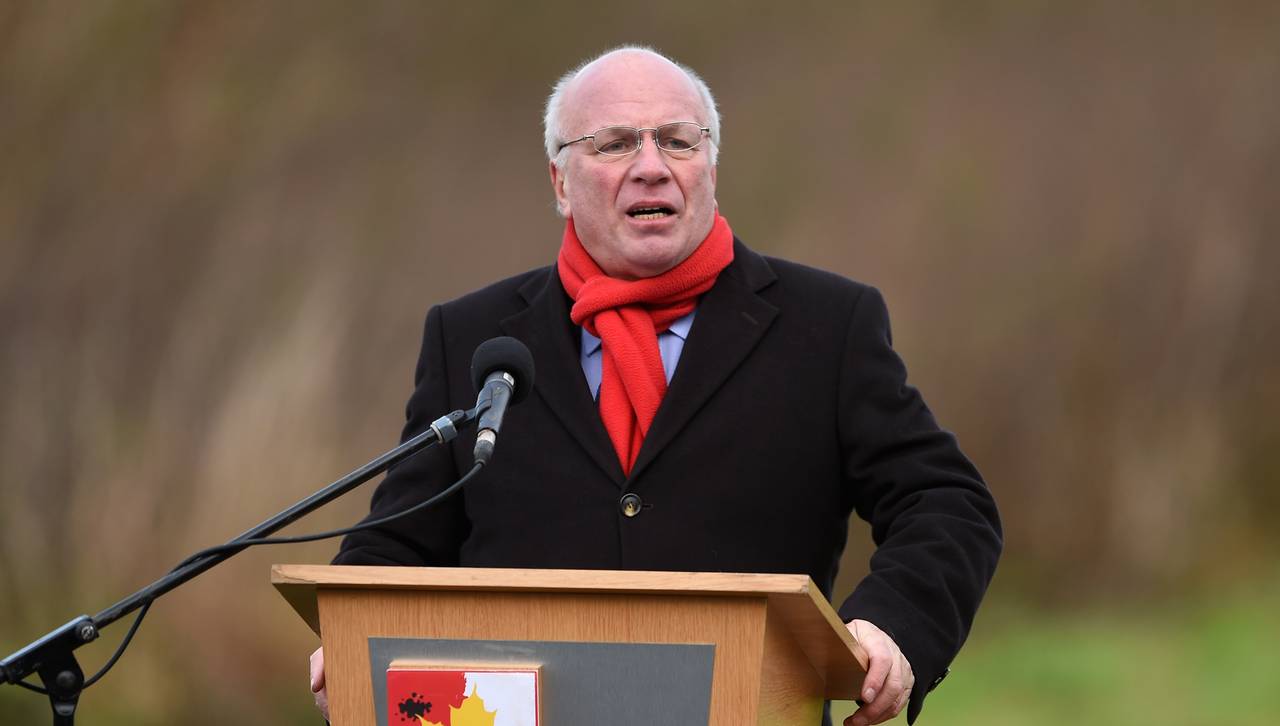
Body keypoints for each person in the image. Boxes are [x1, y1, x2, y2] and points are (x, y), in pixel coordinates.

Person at [310, 46, 1002, 726]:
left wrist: (889, 627)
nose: (651, 167)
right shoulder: (474, 338)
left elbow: (946, 502)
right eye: (613, 145)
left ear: (710, 168)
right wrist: (345, 635)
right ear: (559, 181)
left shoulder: (826, 325)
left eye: (677, 141)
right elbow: (401, 540)